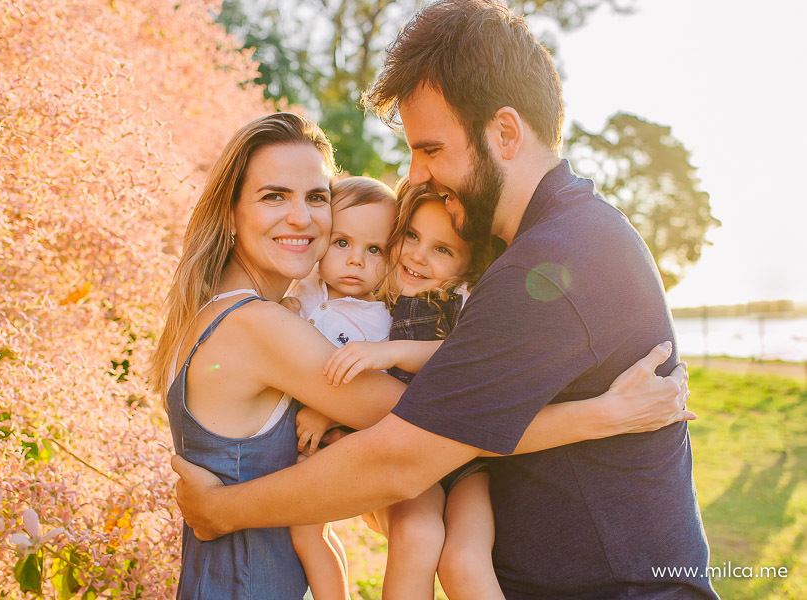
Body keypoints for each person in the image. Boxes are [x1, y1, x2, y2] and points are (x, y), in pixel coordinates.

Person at [170, 1, 717, 599]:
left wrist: (224, 510)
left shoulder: (554, 263)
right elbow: (438, 434)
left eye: (431, 149)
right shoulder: (536, 249)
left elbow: (403, 455)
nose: (418, 175)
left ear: (505, 134)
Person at [321, 179, 504, 600]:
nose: (418, 255)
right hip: (403, 454)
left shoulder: (462, 300)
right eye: (411, 236)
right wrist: (327, 411)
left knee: (465, 561)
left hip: (465, 463)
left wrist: (392, 352)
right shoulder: (377, 295)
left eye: (442, 249)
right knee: (414, 535)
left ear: (468, 264)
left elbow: (462, 356)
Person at [284, 176, 397, 600]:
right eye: (342, 242)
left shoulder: (379, 320)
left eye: (374, 250)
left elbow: (379, 386)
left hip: (340, 437)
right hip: (300, 433)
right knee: (317, 530)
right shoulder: (306, 288)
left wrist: (327, 411)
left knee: (306, 531)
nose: (356, 261)